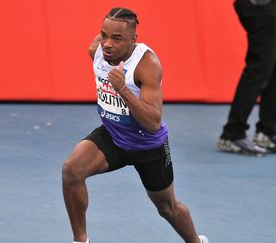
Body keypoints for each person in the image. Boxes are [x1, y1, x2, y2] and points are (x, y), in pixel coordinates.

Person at [62, 7, 208, 243]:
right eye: (104, 35)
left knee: (167, 208)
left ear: (133, 40)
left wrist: (122, 89)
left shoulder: (147, 64)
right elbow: (98, 51)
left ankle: (196, 241)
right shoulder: (97, 51)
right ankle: (81, 240)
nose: (107, 44)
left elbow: (153, 122)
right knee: (71, 170)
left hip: (148, 146)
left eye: (117, 38)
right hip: (113, 137)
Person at [218, 0, 276, 156]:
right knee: (259, 69)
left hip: (270, 6)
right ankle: (233, 133)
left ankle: (266, 130)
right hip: (260, 6)